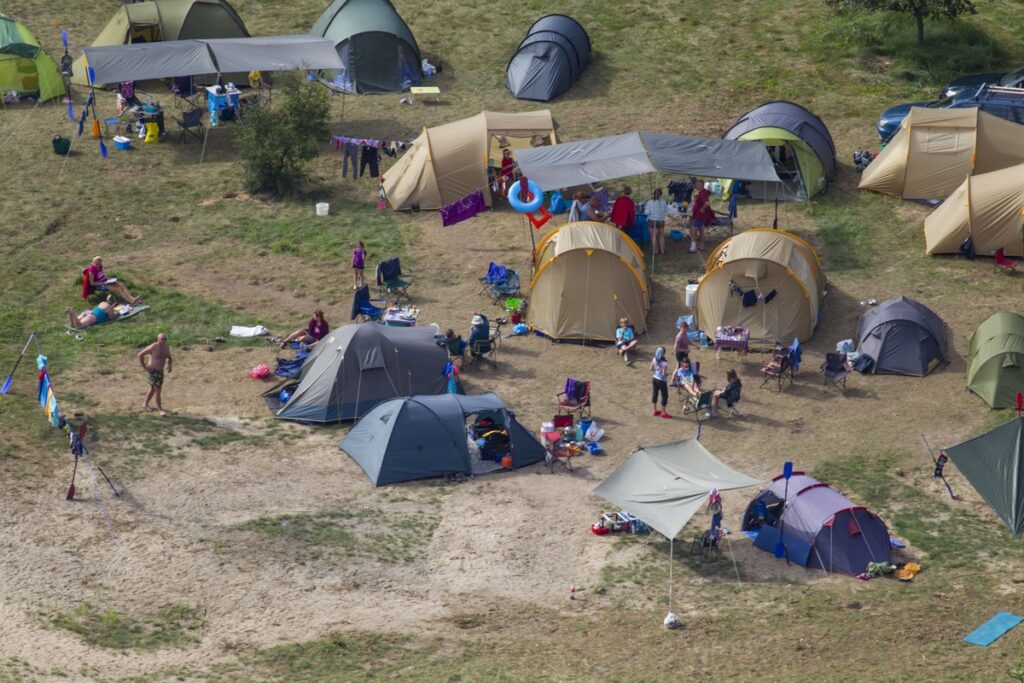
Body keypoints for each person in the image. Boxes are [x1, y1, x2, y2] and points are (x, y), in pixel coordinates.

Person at [138, 333, 173, 416]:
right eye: (162, 339)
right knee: (158, 390)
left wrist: (170, 365)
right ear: (158, 339)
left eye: (165, 339)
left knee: (152, 389)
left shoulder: (166, 347)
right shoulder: (153, 347)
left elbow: (169, 357)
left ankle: (145, 404)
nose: (163, 340)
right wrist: (145, 367)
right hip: (153, 371)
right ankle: (160, 409)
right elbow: (140, 355)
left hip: (160, 372)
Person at [689, 180, 715, 253]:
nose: (695, 185)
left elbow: (707, 203)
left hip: (699, 216)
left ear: (700, 185)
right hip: (701, 216)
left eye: (696, 184)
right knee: (701, 231)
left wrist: (702, 210)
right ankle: (701, 246)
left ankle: (693, 247)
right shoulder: (702, 193)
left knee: (693, 230)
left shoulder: (703, 193)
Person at [650, 347, 672, 419]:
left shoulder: (654, 359)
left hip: (654, 378)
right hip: (661, 381)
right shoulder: (664, 362)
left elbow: (650, 368)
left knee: (655, 393)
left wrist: (657, 371)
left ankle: (655, 410)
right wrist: (667, 374)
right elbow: (664, 373)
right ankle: (663, 412)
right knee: (664, 396)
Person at [646, 188, 668, 255]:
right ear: (661, 194)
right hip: (661, 220)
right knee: (661, 236)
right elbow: (666, 211)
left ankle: (655, 251)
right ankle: (662, 251)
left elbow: (647, 212)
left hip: (652, 220)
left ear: (654, 194)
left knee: (653, 236)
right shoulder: (664, 202)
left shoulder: (650, 202)